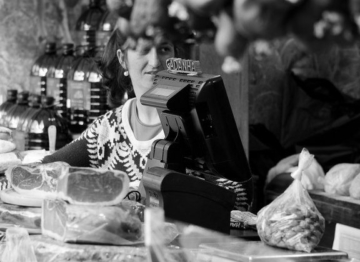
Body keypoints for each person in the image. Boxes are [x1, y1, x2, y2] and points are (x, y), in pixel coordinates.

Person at [43, 29, 253, 210]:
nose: (154, 62)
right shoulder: (107, 129)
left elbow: (241, 196)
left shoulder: (195, 125)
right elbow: (48, 168)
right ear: (123, 58)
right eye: (143, 50)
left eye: (163, 49)